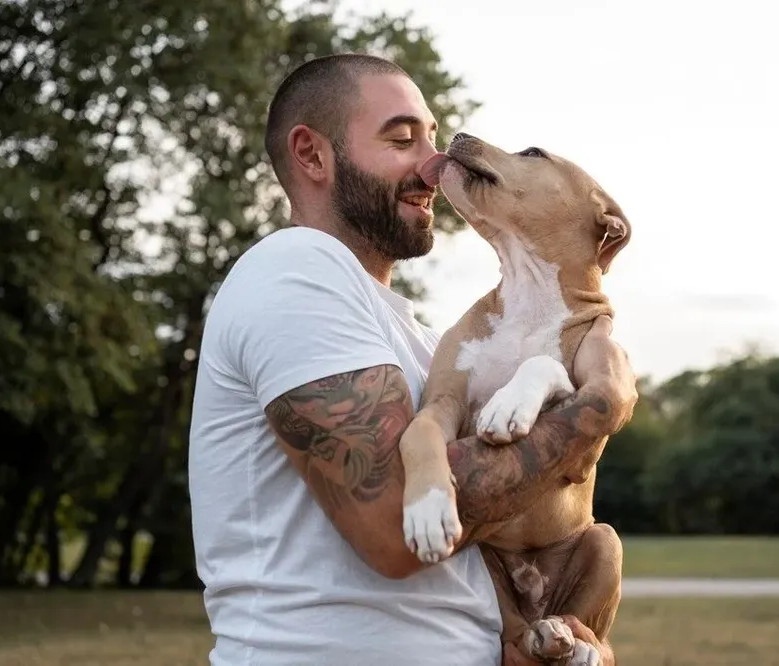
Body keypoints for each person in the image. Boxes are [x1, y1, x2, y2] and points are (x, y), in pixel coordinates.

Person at [187, 53, 637, 666]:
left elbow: (510, 541)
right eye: (401, 139)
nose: (432, 162)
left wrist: (567, 645)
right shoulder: (294, 271)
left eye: (431, 135)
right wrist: (595, 409)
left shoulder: (428, 341)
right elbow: (398, 529)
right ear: (313, 155)